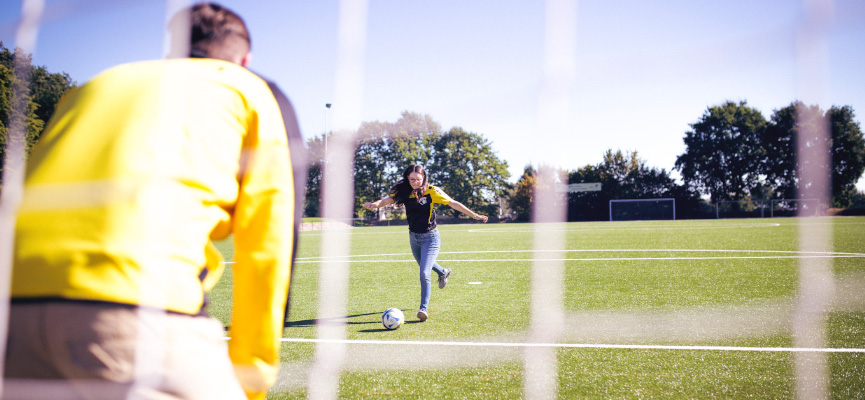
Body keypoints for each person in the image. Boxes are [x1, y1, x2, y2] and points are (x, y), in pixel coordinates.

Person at [5, 3, 301, 400]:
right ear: (244, 60)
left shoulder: (95, 84)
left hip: (10, 308)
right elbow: (269, 241)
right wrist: (253, 376)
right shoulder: (250, 89)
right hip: (135, 309)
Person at [363, 165, 488, 322]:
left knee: (424, 272)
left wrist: (475, 215)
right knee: (424, 264)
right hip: (413, 237)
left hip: (430, 238)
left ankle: (423, 309)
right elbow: (387, 200)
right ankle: (443, 272)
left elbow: (452, 203)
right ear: (407, 178)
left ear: (424, 178)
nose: (415, 182)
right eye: (411, 179)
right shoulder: (404, 190)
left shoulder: (431, 191)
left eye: (418, 179)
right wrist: (375, 204)